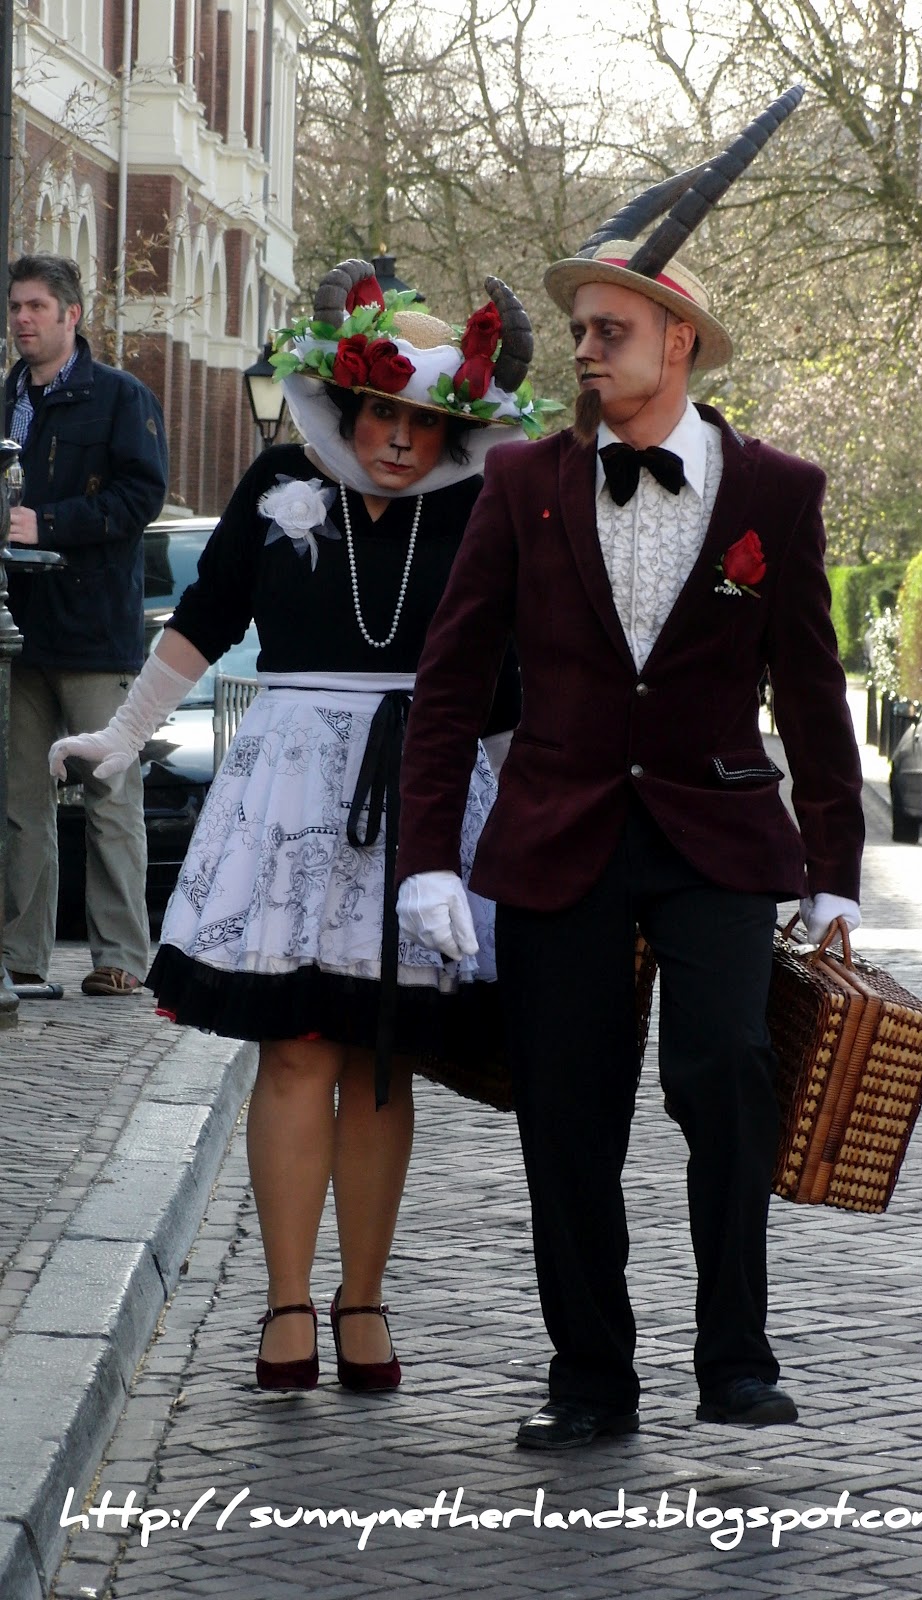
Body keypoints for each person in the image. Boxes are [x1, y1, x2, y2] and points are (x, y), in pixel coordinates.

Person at [396, 89, 865, 1448]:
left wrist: (832, 873)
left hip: (718, 831)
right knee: (566, 1111)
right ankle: (588, 1381)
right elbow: (449, 682)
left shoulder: (773, 492)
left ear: (677, 342)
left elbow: (815, 692)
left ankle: (737, 1362)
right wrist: (431, 855)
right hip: (556, 832)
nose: (583, 352)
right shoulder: (520, 486)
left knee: (723, 1071)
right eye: (581, 332)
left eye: (608, 331)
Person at [49, 259, 540, 1392]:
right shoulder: (278, 483)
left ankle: (362, 1296)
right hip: (287, 794)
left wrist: (534, 811)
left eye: (427, 422)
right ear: (349, 400)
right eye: (384, 414)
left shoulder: (479, 509)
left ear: (453, 427)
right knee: (295, 1049)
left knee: (382, 1059)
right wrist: (121, 737)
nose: (402, 442)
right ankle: (284, 1301)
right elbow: (203, 621)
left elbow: (507, 678)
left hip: (426, 793)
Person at [3, 253, 168, 998]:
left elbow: (142, 499)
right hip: (16, 633)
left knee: (108, 798)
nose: (22, 320)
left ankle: (121, 959)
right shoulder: (7, 401)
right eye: (14, 308)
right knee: (19, 803)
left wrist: (51, 525)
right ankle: (22, 960)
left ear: (72, 316)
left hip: (94, 629)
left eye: (36, 307)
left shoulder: (121, 398)